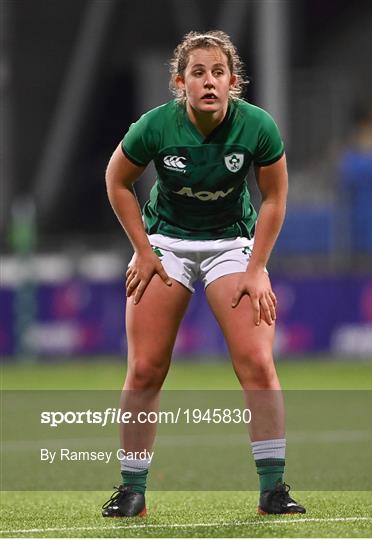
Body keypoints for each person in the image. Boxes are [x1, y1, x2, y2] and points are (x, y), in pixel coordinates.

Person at [101, 30, 305, 518]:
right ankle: (132, 490)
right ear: (180, 82)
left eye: (218, 72)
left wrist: (257, 267)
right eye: (198, 72)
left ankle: (273, 490)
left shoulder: (258, 127)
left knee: (256, 363)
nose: (209, 81)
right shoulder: (154, 126)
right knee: (146, 368)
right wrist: (143, 250)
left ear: (233, 82)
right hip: (165, 242)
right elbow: (117, 180)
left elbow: (275, 197)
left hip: (232, 244)